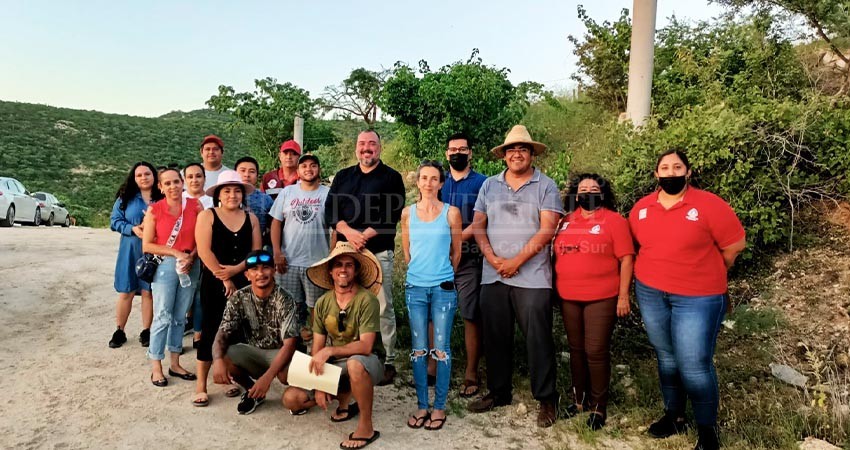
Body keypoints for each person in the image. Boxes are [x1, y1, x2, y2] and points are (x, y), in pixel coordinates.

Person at [629, 149, 745, 450]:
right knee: (666, 358)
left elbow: (734, 246)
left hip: (698, 296)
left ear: (688, 172)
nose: (670, 173)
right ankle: (674, 416)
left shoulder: (709, 205)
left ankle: (708, 432)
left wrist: (705, 269)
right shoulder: (641, 209)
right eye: (664, 168)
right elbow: (640, 245)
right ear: (656, 174)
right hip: (651, 291)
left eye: (677, 167)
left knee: (693, 364)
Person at [468, 125, 563, 428]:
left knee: (538, 338)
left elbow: (548, 229)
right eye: (511, 149)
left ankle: (547, 399)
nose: (517, 153)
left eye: (523, 149)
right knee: (495, 336)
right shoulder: (489, 186)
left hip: (532, 277)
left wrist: (516, 261)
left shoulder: (545, 185)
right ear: (504, 155)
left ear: (532, 153)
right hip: (493, 273)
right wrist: (494, 259)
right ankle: (499, 392)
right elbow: (478, 225)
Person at [283, 241, 384, 450]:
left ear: (355, 271)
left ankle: (366, 427)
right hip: (339, 364)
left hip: (368, 361)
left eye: (349, 265)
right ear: (330, 271)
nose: (343, 270)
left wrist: (330, 350)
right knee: (292, 399)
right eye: (338, 265)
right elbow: (317, 347)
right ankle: (344, 397)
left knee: (356, 364)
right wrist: (319, 384)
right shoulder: (323, 303)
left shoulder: (367, 300)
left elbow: (366, 346)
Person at [553, 173, 634, 430]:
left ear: (602, 193)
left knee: (595, 351)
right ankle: (579, 401)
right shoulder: (566, 221)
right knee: (575, 350)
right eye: (583, 189)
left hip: (602, 296)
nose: (588, 192)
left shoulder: (614, 221)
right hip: (568, 296)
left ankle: (599, 407)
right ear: (576, 195)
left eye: (594, 188)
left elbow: (627, 259)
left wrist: (623, 295)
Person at [324, 130, 405, 385]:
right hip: (346, 252)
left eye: (372, 143)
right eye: (362, 144)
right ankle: (352, 355)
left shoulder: (392, 177)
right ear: (356, 148)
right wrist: (349, 232)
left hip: (378, 250)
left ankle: (388, 359)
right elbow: (330, 211)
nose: (366, 148)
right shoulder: (343, 176)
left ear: (380, 147)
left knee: (382, 306)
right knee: (346, 305)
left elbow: (393, 213)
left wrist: (364, 235)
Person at [400, 160, 462, 431]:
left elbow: (456, 252)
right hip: (415, 287)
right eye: (423, 178)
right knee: (417, 350)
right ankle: (422, 405)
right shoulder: (407, 213)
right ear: (417, 182)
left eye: (433, 178)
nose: (428, 183)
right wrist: (419, 274)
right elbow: (407, 251)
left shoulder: (451, 213)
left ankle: (439, 407)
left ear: (441, 183)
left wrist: (443, 275)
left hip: (443, 289)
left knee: (441, 349)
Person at [193, 170, 262, 407]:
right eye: (227, 190)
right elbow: (204, 251)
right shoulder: (207, 216)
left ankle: (232, 376)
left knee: (238, 331)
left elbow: (255, 253)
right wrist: (224, 277)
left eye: (236, 190)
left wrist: (236, 271)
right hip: (214, 281)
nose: (232, 195)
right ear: (218, 195)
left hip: (243, 280)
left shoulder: (251, 218)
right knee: (212, 328)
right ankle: (201, 384)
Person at [211, 249, 301, 415]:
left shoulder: (285, 299)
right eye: (254, 269)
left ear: (273, 270)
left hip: (281, 352)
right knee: (224, 355)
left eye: (265, 268)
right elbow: (222, 333)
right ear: (247, 275)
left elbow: (290, 344)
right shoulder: (239, 297)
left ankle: (302, 393)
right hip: (255, 351)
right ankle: (253, 392)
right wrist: (216, 360)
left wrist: (267, 379)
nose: (260, 273)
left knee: (285, 377)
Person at [141, 168, 201, 386]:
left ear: (182, 183)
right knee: (163, 314)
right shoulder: (155, 210)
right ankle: (156, 365)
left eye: (176, 181)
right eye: (167, 183)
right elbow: (147, 245)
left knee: (180, 315)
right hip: (166, 265)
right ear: (160, 187)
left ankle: (175, 363)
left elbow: (201, 237)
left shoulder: (195, 206)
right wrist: (176, 253)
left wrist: (192, 257)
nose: (173, 186)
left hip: (191, 264)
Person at [441, 132, 487, 398]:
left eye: (462, 149)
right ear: (447, 154)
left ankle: (471, 371)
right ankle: (434, 368)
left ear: (470, 152)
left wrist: (455, 242)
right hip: (438, 260)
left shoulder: (483, 183)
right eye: (452, 149)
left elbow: (482, 221)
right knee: (437, 314)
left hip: (470, 259)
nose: (457, 153)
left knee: (470, 315)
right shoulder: (438, 182)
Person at [270, 153, 330, 337]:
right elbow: (276, 223)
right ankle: (292, 350)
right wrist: (277, 252)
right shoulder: (287, 192)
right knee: (289, 308)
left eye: (313, 165)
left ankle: (316, 350)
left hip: (317, 263)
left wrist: (331, 257)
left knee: (317, 309)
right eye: (304, 166)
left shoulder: (327, 193)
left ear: (318, 170)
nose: (309, 169)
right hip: (288, 262)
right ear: (298, 171)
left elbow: (335, 227)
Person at [108, 161, 163, 348]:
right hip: (130, 250)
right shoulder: (126, 198)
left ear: (154, 176)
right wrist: (132, 228)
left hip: (154, 251)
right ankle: (119, 330)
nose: (143, 178)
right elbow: (114, 221)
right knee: (127, 291)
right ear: (134, 178)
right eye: (139, 175)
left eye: (147, 174)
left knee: (149, 292)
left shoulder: (162, 197)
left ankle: (146, 330)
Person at [183, 162, 211, 347]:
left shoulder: (211, 200)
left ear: (204, 178)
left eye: (198, 176)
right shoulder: (179, 198)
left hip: (204, 253)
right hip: (181, 255)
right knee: (183, 296)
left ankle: (198, 334)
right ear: (184, 180)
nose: (195, 180)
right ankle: (176, 336)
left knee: (201, 294)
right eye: (190, 176)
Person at [235, 156, 274, 244]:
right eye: (242, 170)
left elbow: (274, 226)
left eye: (252, 171)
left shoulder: (266, 199)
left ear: (257, 175)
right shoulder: (226, 198)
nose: (247, 175)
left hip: (258, 247)